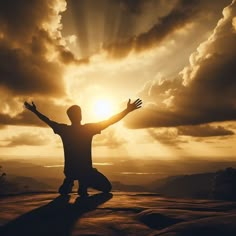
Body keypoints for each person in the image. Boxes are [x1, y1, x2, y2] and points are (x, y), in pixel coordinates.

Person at [24, 98, 142, 196]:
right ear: (80, 116)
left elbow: (48, 121)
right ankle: (82, 185)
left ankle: (71, 182)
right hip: (86, 171)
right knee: (107, 188)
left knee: (81, 178)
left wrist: (35, 111)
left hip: (70, 171)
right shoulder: (87, 129)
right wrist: (127, 111)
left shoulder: (64, 130)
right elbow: (110, 121)